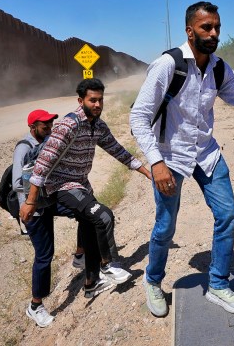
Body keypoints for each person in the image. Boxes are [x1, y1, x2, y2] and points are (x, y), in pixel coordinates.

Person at [130, 1, 234, 317]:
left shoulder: (219, 68)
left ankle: (219, 285)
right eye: (206, 27)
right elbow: (139, 117)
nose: (213, 33)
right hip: (170, 157)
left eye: (217, 27)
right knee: (166, 226)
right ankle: (153, 281)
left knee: (227, 214)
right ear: (189, 30)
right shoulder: (168, 65)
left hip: (206, 154)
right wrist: (155, 162)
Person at [20, 79, 152, 304]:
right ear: (81, 101)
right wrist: (30, 201)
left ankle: (91, 283)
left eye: (100, 99)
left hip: (80, 184)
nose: (98, 104)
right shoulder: (68, 126)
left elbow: (119, 151)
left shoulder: (98, 126)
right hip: (60, 185)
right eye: (93, 100)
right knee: (103, 215)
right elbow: (43, 163)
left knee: (91, 225)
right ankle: (108, 264)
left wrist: (149, 174)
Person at [13, 109, 84, 327]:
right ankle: (35, 306)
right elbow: (17, 183)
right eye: (45, 127)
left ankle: (80, 256)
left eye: (51, 125)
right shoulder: (24, 148)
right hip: (33, 209)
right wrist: (38, 180)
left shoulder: (46, 142)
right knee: (44, 255)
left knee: (84, 211)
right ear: (32, 127)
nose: (50, 130)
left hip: (48, 201)